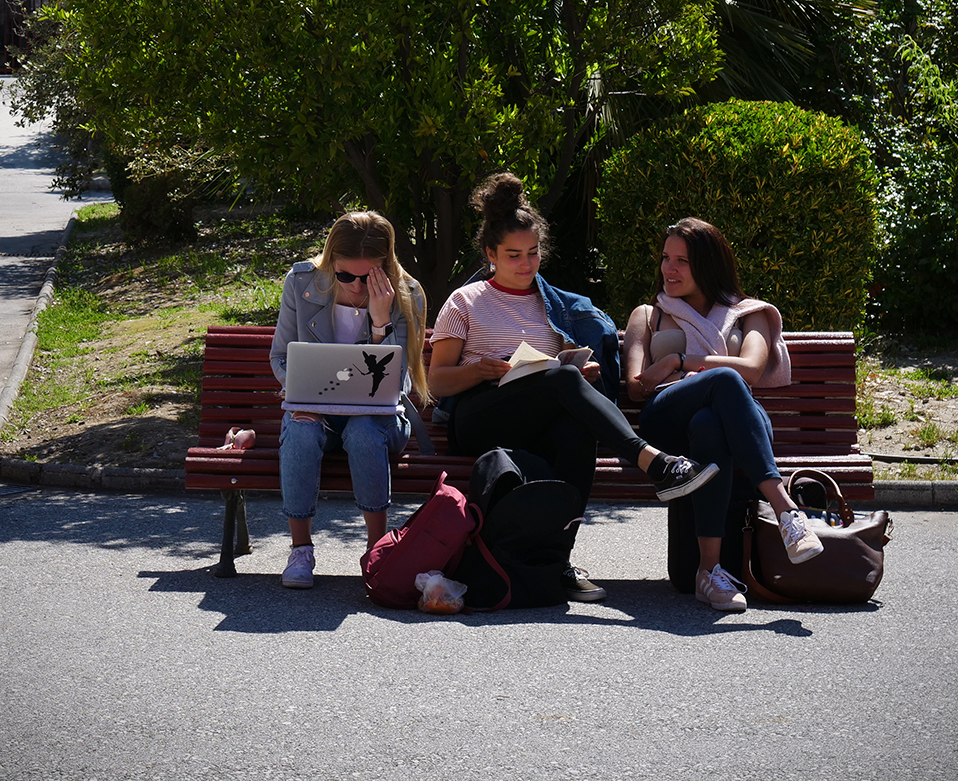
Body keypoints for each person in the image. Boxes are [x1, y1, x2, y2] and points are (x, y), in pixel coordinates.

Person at [428, 173, 718, 603]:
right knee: (560, 380)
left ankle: (558, 561)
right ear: (490, 254)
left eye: (533, 253)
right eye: (513, 256)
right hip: (478, 416)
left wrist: (580, 375)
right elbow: (437, 381)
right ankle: (655, 463)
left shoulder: (555, 307)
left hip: (536, 419)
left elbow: (557, 376)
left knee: (575, 428)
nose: (526, 265)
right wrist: (482, 371)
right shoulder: (465, 301)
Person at [623, 217, 824, 613]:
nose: (669, 268)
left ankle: (709, 573)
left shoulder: (751, 313)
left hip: (736, 420)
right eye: (666, 258)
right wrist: (679, 376)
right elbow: (636, 385)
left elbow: (750, 369)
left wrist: (679, 361)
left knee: (712, 421)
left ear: (709, 264)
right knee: (723, 381)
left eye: (682, 260)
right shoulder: (648, 315)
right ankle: (786, 511)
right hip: (668, 421)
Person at [270, 211, 429, 589]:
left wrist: (379, 322)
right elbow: (280, 357)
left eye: (368, 276)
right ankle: (300, 549)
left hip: (379, 418)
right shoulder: (302, 282)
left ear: (385, 266)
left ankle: (377, 549)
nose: (357, 287)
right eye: (345, 276)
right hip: (317, 410)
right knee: (301, 428)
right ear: (330, 264)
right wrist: (297, 389)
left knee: (362, 431)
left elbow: (400, 378)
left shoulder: (406, 294)